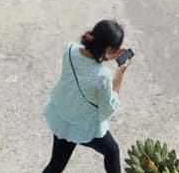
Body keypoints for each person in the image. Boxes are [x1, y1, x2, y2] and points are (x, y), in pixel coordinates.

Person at [42, 20, 131, 173]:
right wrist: (120, 74)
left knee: (56, 165)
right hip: (84, 125)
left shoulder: (69, 50)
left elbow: (86, 64)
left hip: (63, 116)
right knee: (112, 151)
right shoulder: (103, 76)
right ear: (109, 49)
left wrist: (106, 54)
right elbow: (106, 109)